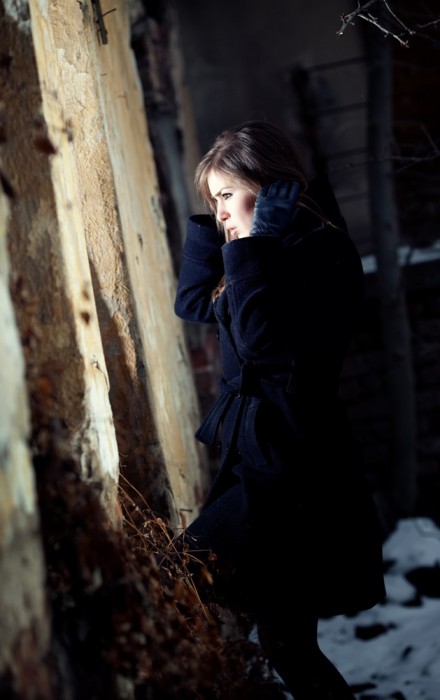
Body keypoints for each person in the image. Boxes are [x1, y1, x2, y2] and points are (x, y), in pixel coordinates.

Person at [173, 120, 386, 699]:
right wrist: (230, 227)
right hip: (263, 458)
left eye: (226, 195)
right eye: (213, 200)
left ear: (269, 188)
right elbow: (193, 303)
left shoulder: (320, 251)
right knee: (287, 642)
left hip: (293, 466)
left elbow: (261, 340)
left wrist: (256, 241)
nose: (220, 212)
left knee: (187, 573)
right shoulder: (264, 249)